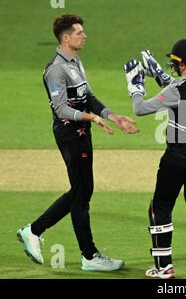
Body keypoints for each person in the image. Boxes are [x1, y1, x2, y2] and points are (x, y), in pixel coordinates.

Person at [16, 14, 138, 271]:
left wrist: (112, 116)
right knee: (82, 194)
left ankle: (34, 231)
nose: (85, 36)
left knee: (82, 191)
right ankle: (89, 255)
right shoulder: (56, 69)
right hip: (70, 135)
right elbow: (61, 109)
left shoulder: (75, 62)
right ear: (65, 37)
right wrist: (92, 117)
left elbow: (88, 96)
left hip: (82, 133)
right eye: (79, 32)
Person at [123, 39, 186, 279]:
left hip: (177, 160)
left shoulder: (177, 90)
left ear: (180, 64)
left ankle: (164, 267)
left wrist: (135, 85)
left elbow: (140, 108)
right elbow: (181, 90)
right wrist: (157, 72)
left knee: (160, 208)